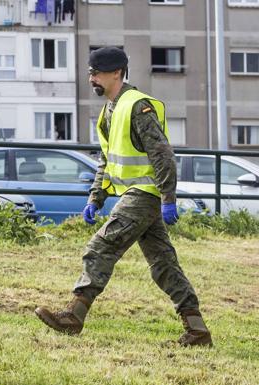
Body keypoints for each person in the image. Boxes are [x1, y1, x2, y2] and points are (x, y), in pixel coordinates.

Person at [34, 47, 212, 346]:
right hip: (135, 194)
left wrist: (168, 197)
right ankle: (197, 330)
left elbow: (162, 154)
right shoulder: (109, 111)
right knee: (164, 265)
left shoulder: (137, 106)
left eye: (97, 72)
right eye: (90, 72)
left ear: (116, 72)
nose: (91, 78)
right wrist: (96, 197)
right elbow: (107, 159)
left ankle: (74, 316)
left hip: (145, 193)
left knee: (101, 246)